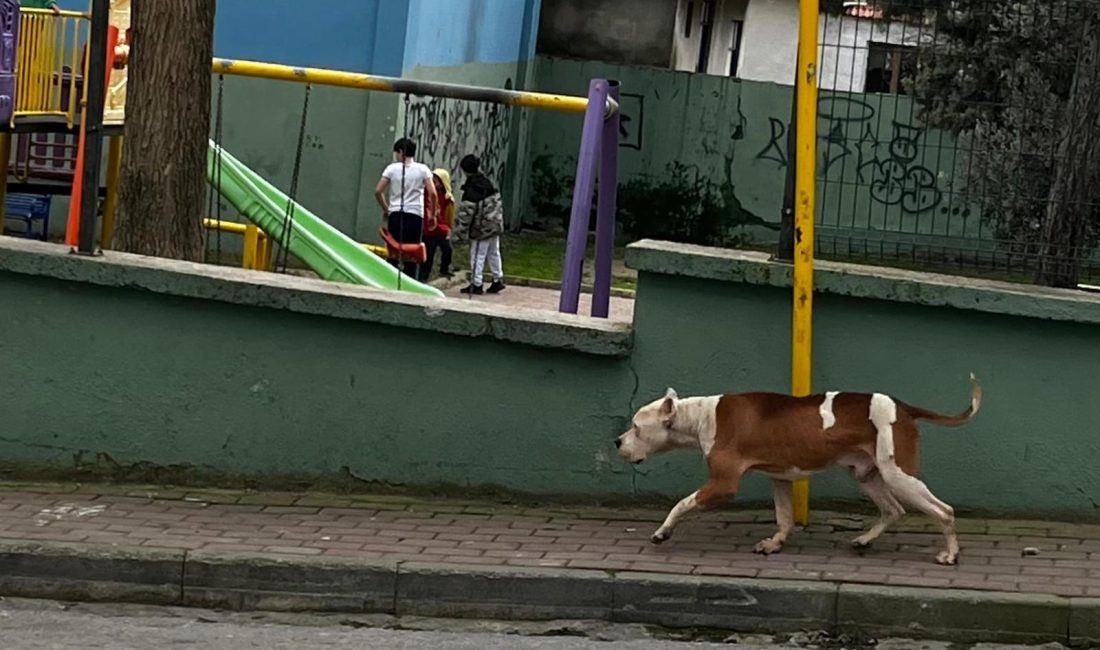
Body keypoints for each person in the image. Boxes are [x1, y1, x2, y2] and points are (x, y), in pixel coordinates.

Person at [375, 138, 436, 277]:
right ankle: (410, 281)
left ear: (401, 152)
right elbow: (432, 193)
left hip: (396, 214)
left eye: (397, 152)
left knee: (394, 252)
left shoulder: (392, 168)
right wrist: (432, 215)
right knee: (412, 254)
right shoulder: (423, 169)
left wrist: (387, 209)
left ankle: (390, 279)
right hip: (415, 215)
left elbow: (378, 191)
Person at [457, 154, 505, 295]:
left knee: (478, 254)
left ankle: (476, 284)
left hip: (481, 228)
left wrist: (459, 233)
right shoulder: (488, 183)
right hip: (495, 224)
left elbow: (466, 215)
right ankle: (497, 279)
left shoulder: (471, 189)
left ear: (465, 170)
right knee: (493, 252)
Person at [418, 168, 455, 282]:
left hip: (440, 228)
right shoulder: (428, 192)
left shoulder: (445, 196)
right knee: (428, 255)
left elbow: (447, 213)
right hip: (430, 230)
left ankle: (444, 269)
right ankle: (422, 277)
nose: (434, 184)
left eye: (437, 181)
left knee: (447, 249)